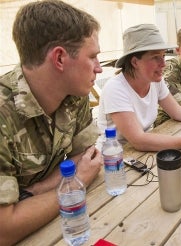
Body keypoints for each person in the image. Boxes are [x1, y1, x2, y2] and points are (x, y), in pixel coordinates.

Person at [0, 1, 103, 244]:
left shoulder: (74, 94)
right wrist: (77, 184)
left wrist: (34, 192)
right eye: (93, 56)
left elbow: (86, 155)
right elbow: (4, 229)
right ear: (59, 58)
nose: (99, 68)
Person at [97, 24, 181, 152]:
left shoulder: (155, 81)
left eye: (163, 56)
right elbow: (139, 141)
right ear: (134, 62)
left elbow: (178, 111)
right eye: (155, 57)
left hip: (145, 151)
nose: (163, 64)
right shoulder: (115, 88)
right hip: (114, 158)